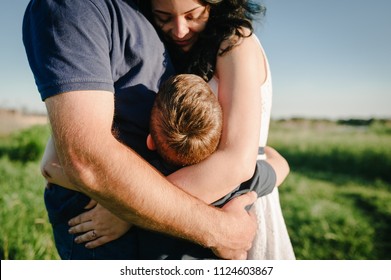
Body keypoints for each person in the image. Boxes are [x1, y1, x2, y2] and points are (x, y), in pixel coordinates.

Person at [22, 0, 258, 260]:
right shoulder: (78, 9)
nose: (179, 30)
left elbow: (244, 161)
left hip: (187, 209)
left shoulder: (228, 42)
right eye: (164, 17)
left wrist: (129, 212)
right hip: (109, 219)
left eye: (193, 15)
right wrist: (133, 209)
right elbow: (80, 158)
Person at [42, 72, 290, 259]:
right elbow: (282, 167)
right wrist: (263, 151)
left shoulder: (139, 178)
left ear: (150, 141)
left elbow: (52, 166)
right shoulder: (239, 180)